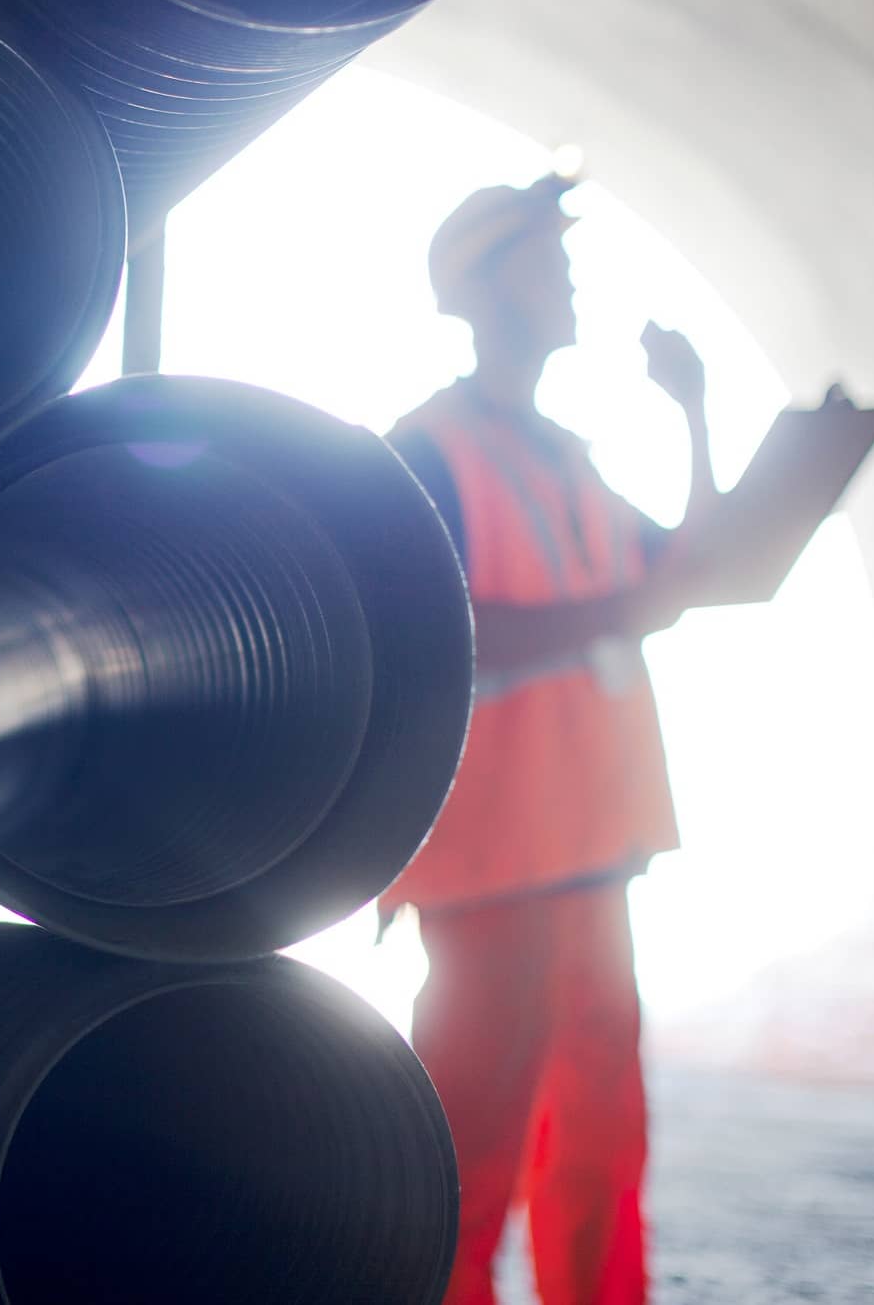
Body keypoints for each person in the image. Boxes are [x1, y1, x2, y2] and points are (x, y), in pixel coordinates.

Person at [381, 172, 716, 1305]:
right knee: (465, 1164)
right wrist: (614, 615)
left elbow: (687, 574)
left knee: (601, 1153)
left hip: (589, 846)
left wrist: (695, 415)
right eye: (544, 257)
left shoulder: (564, 453)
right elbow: (433, 630)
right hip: (488, 865)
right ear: (478, 289)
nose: (568, 276)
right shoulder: (425, 449)